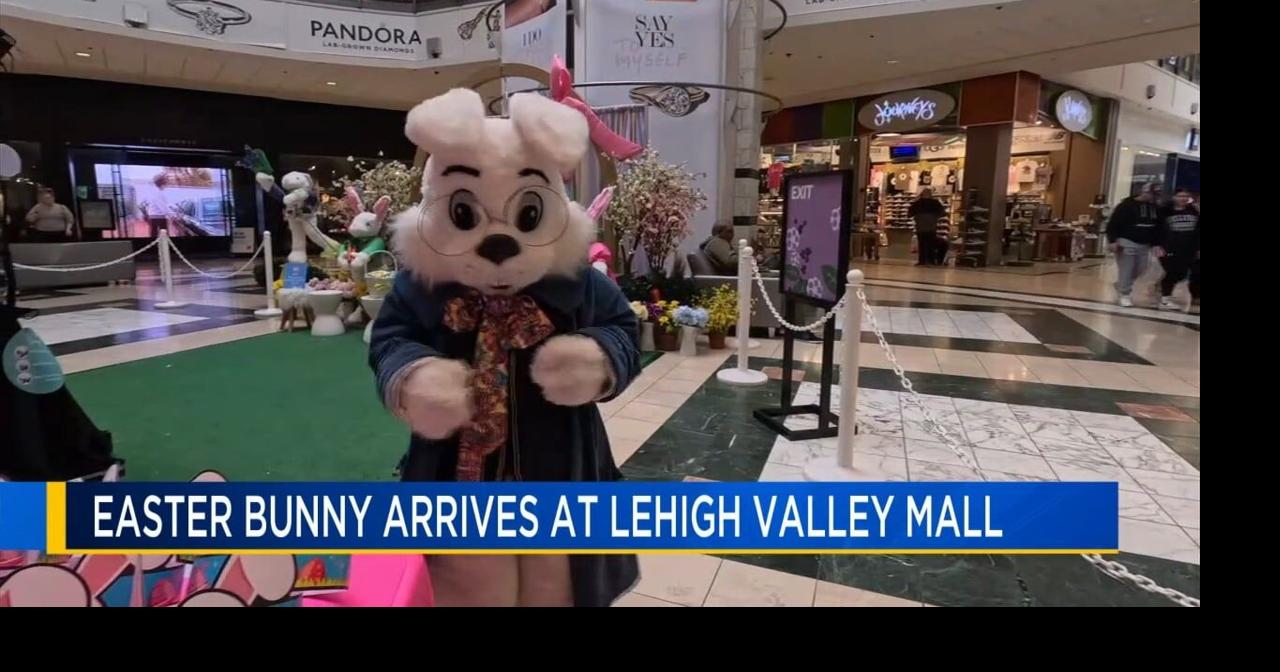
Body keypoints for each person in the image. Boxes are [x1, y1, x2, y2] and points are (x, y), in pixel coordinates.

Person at [1106, 183, 1160, 306]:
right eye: (1151, 194)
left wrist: (1156, 243)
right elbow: (1113, 224)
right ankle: (1124, 293)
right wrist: (1113, 240)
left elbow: (1158, 226)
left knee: (1141, 269)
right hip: (1126, 241)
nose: (1153, 198)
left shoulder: (1155, 208)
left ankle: (1121, 285)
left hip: (1145, 244)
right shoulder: (1125, 206)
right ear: (1144, 192)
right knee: (1127, 269)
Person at [1155, 188, 1200, 311]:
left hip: (1189, 248)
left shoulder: (1193, 211)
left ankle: (1162, 290)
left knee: (1183, 274)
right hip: (1169, 248)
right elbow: (1157, 229)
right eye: (1180, 196)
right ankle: (1165, 299)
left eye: (1186, 196)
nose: (1183, 198)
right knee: (1172, 272)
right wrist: (1158, 245)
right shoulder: (1165, 211)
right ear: (1174, 197)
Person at [908, 188, 945, 266]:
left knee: (922, 244)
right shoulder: (935, 203)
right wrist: (935, 217)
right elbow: (942, 213)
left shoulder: (917, 203)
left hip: (920, 227)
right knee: (931, 244)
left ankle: (922, 261)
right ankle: (931, 261)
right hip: (931, 227)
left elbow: (910, 213)